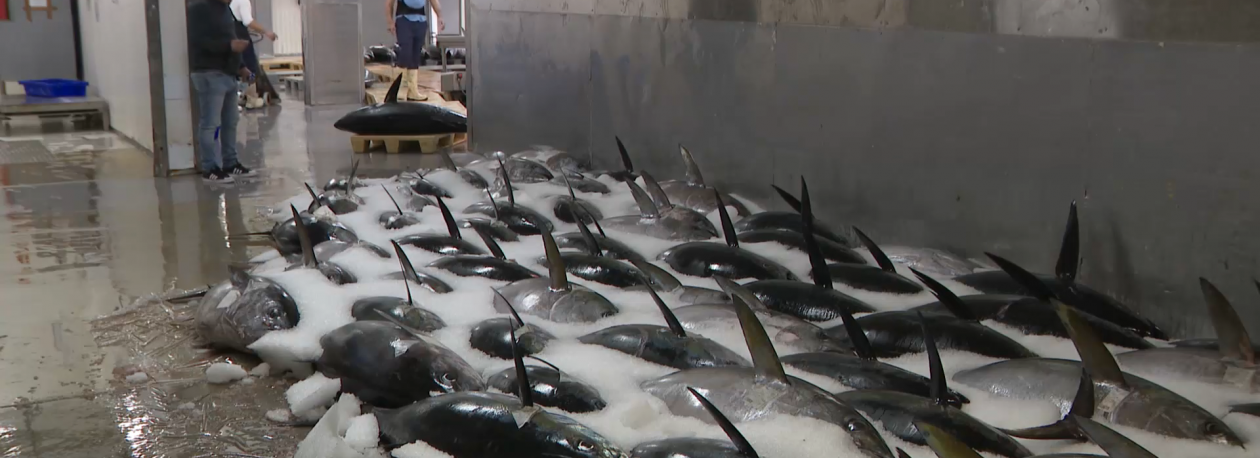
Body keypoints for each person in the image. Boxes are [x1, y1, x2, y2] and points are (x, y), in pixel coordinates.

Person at [188, 0, 256, 183]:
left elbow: (230, 37)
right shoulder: (199, 9)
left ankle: (230, 163)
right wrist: (229, 46)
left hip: (228, 73)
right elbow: (198, 41)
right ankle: (209, 167)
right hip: (209, 72)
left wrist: (241, 67)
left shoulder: (225, 10)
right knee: (210, 123)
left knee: (230, 121)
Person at [387, 0, 444, 102]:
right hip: (404, 20)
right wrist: (390, 22)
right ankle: (398, 89)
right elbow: (389, 3)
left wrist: (440, 16)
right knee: (405, 52)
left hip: (421, 21)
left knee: (416, 56)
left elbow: (434, 1)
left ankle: (412, 91)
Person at [229, 0, 278, 109]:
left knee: (237, 67)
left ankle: (239, 95)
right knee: (251, 69)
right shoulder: (243, 1)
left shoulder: (231, 2)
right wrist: (266, 32)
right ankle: (251, 97)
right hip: (242, 39)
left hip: (232, 38)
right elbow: (248, 21)